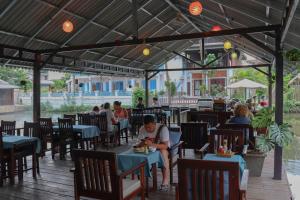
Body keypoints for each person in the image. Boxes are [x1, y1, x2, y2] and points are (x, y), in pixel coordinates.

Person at [137, 115, 170, 191]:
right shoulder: (142, 128)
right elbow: (139, 142)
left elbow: (165, 146)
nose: (147, 129)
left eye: (150, 127)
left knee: (163, 153)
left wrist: (151, 144)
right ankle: (141, 182)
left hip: (161, 148)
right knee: (138, 153)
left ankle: (165, 181)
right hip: (148, 149)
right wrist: (142, 144)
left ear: (154, 124)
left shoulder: (162, 128)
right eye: (146, 127)